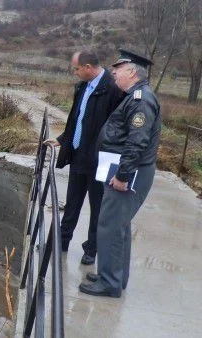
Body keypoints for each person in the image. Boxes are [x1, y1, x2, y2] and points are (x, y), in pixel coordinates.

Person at [79, 49, 161, 298]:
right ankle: (114, 274)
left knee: (111, 226)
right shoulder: (134, 96)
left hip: (128, 173)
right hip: (123, 168)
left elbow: (137, 142)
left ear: (132, 72)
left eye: (119, 68)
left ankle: (110, 282)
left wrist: (123, 176)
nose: (113, 71)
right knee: (119, 226)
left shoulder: (140, 100)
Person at [46, 51, 123, 265]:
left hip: (100, 159)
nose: (75, 72)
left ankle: (91, 249)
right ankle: (62, 241)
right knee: (72, 202)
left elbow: (118, 126)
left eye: (77, 69)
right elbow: (77, 118)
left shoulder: (113, 88)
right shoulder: (82, 87)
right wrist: (63, 139)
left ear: (88, 67)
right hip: (79, 155)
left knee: (98, 206)